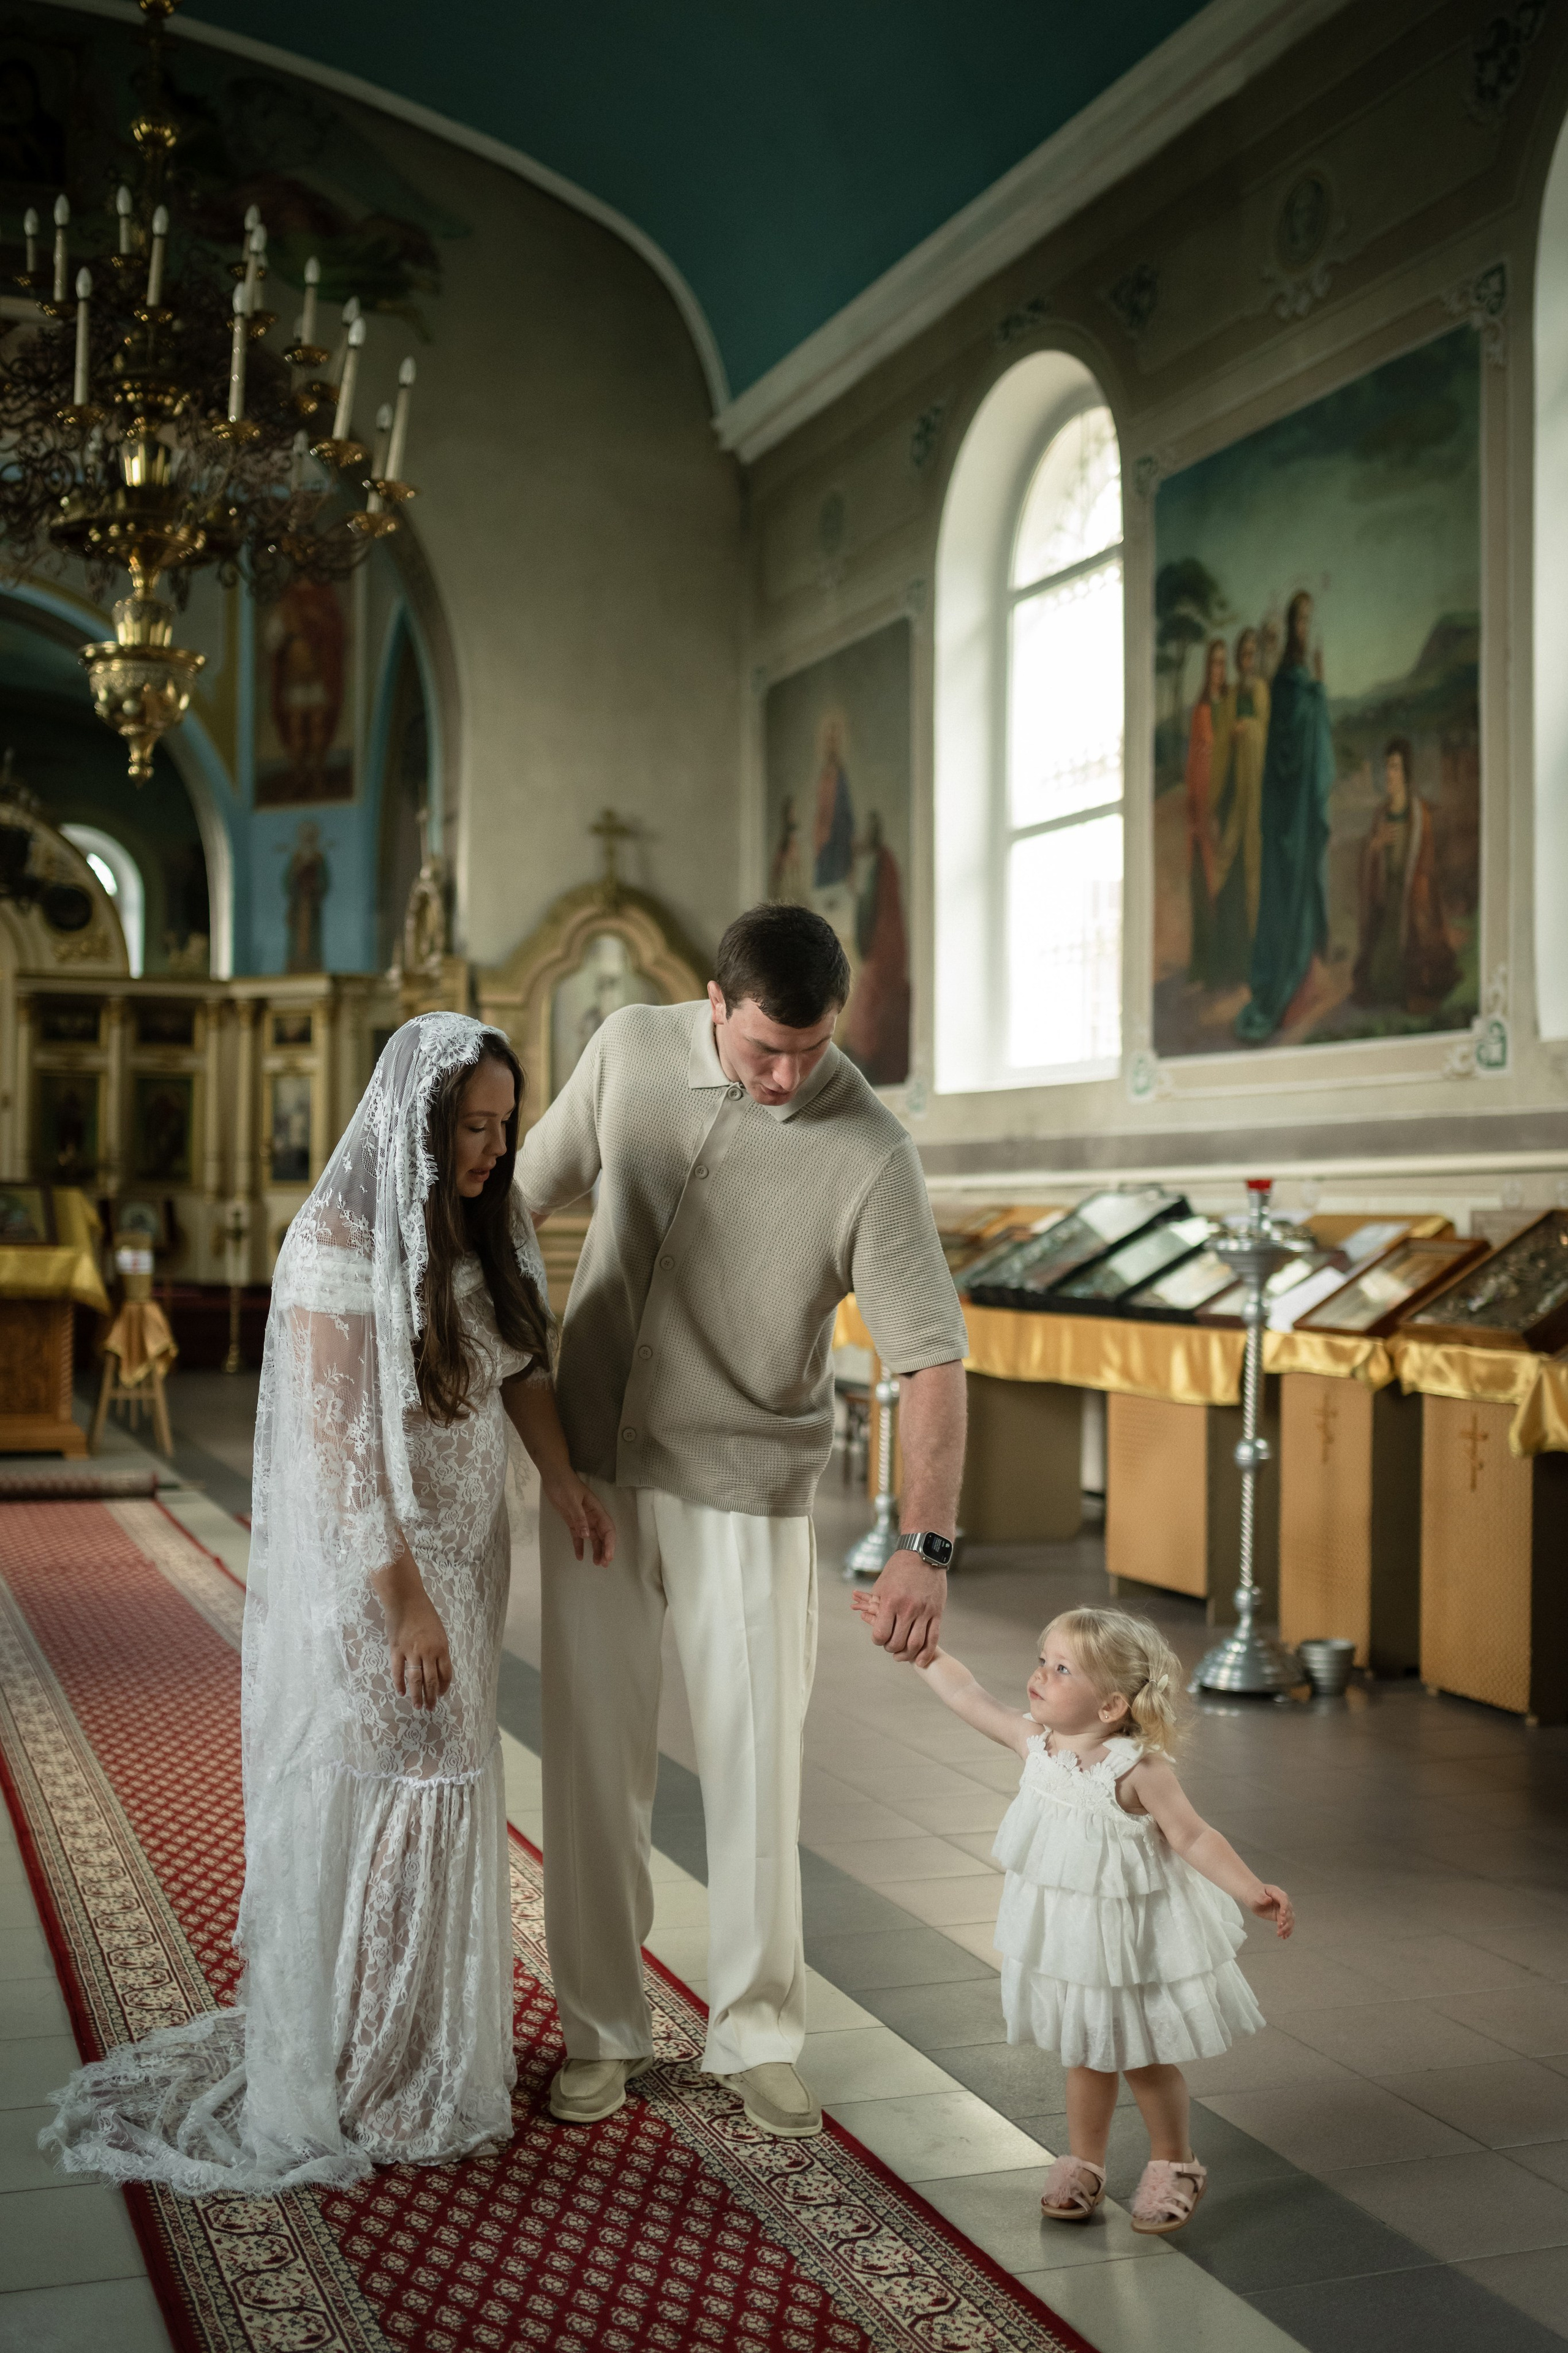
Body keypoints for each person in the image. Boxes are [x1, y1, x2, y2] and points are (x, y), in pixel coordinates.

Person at [42, 1014, 614, 2194]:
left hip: (466, 1554)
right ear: (419, 1118)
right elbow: (340, 1447)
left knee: (444, 1786)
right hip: (380, 1570)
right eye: (472, 1126)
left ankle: (422, 2054)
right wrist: (403, 1601)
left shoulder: (488, 1217)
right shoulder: (340, 1241)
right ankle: (365, 2067)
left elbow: (521, 1366)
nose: (495, 1150)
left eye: (506, 1126)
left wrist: (558, 1478)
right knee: (401, 1782)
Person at [521, 903, 968, 2141]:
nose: (786, 1079)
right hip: (598, 1470)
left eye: (809, 1052)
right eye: (764, 1049)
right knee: (590, 1757)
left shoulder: (867, 1148)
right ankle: (600, 2031)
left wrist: (926, 1545)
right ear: (712, 1003)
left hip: (752, 1485)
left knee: (756, 1764)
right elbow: (519, 1191)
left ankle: (757, 2031)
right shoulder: (621, 1050)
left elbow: (930, 1359)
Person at [855, 1601, 1292, 2234]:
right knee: (1083, 2050)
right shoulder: (1035, 1742)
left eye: (1061, 1669)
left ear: (1112, 1706)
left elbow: (1193, 1837)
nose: (1038, 1676)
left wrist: (1252, 1890)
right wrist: (923, 1653)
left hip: (1130, 1941)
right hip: (1072, 1941)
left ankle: (1176, 2162)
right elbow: (967, 1693)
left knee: (1143, 2055)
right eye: (1042, 1660)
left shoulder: (1138, 1768)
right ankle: (1084, 2160)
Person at [1234, 589, 1336, 1043]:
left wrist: (1317, 689)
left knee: (1304, 889)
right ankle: (1287, 986)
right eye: (1299, 621)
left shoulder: (1295, 682)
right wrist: (1316, 691)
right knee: (1287, 892)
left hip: (1298, 814)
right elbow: (1286, 748)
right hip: (1286, 815)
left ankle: (1306, 980)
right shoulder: (1285, 684)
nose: (1303, 629)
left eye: (1307, 621)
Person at [1352, 735, 1458, 1014]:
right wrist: (1375, 847)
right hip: (1388, 905)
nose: (1389, 774)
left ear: (1406, 773)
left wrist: (1415, 891)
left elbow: (1428, 869)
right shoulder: (1380, 814)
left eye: (1395, 767)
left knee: (1411, 975)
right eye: (1387, 767)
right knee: (1377, 978)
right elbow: (1368, 861)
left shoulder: (1420, 815)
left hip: (1413, 904)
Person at [1208, 625, 1270, 989]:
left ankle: (1253, 965)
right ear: (1237, 659)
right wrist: (1232, 735)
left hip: (1256, 797)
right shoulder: (1231, 696)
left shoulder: (1261, 691)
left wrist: (1250, 729)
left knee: (1254, 880)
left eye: (1252, 653)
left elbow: (1266, 728)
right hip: (1234, 792)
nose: (1247, 660)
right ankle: (1229, 967)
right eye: (1243, 654)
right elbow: (1220, 747)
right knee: (1229, 883)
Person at [1183, 637, 1231, 986]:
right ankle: (1205, 966)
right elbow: (1197, 765)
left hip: (1227, 806)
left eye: (1222, 663)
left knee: (1226, 888)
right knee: (1204, 887)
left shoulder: (1228, 707)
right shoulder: (1202, 712)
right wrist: (1202, 812)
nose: (1218, 670)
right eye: (1213, 663)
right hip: (1203, 810)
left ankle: (1223, 967)